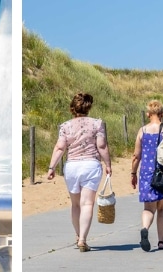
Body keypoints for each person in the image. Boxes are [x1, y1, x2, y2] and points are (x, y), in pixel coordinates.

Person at [46, 92, 112, 253]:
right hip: (91, 165)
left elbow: (60, 147)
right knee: (87, 203)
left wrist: (51, 167)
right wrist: (108, 164)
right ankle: (82, 239)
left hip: (72, 166)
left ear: (73, 108)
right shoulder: (97, 123)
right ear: (88, 107)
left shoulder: (65, 126)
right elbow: (101, 146)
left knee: (75, 204)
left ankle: (78, 235)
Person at [131, 100, 163, 252]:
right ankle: (161, 241)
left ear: (148, 114)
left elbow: (136, 156)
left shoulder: (142, 131)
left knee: (148, 208)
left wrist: (133, 173)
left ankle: (144, 228)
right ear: (162, 114)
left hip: (147, 174)